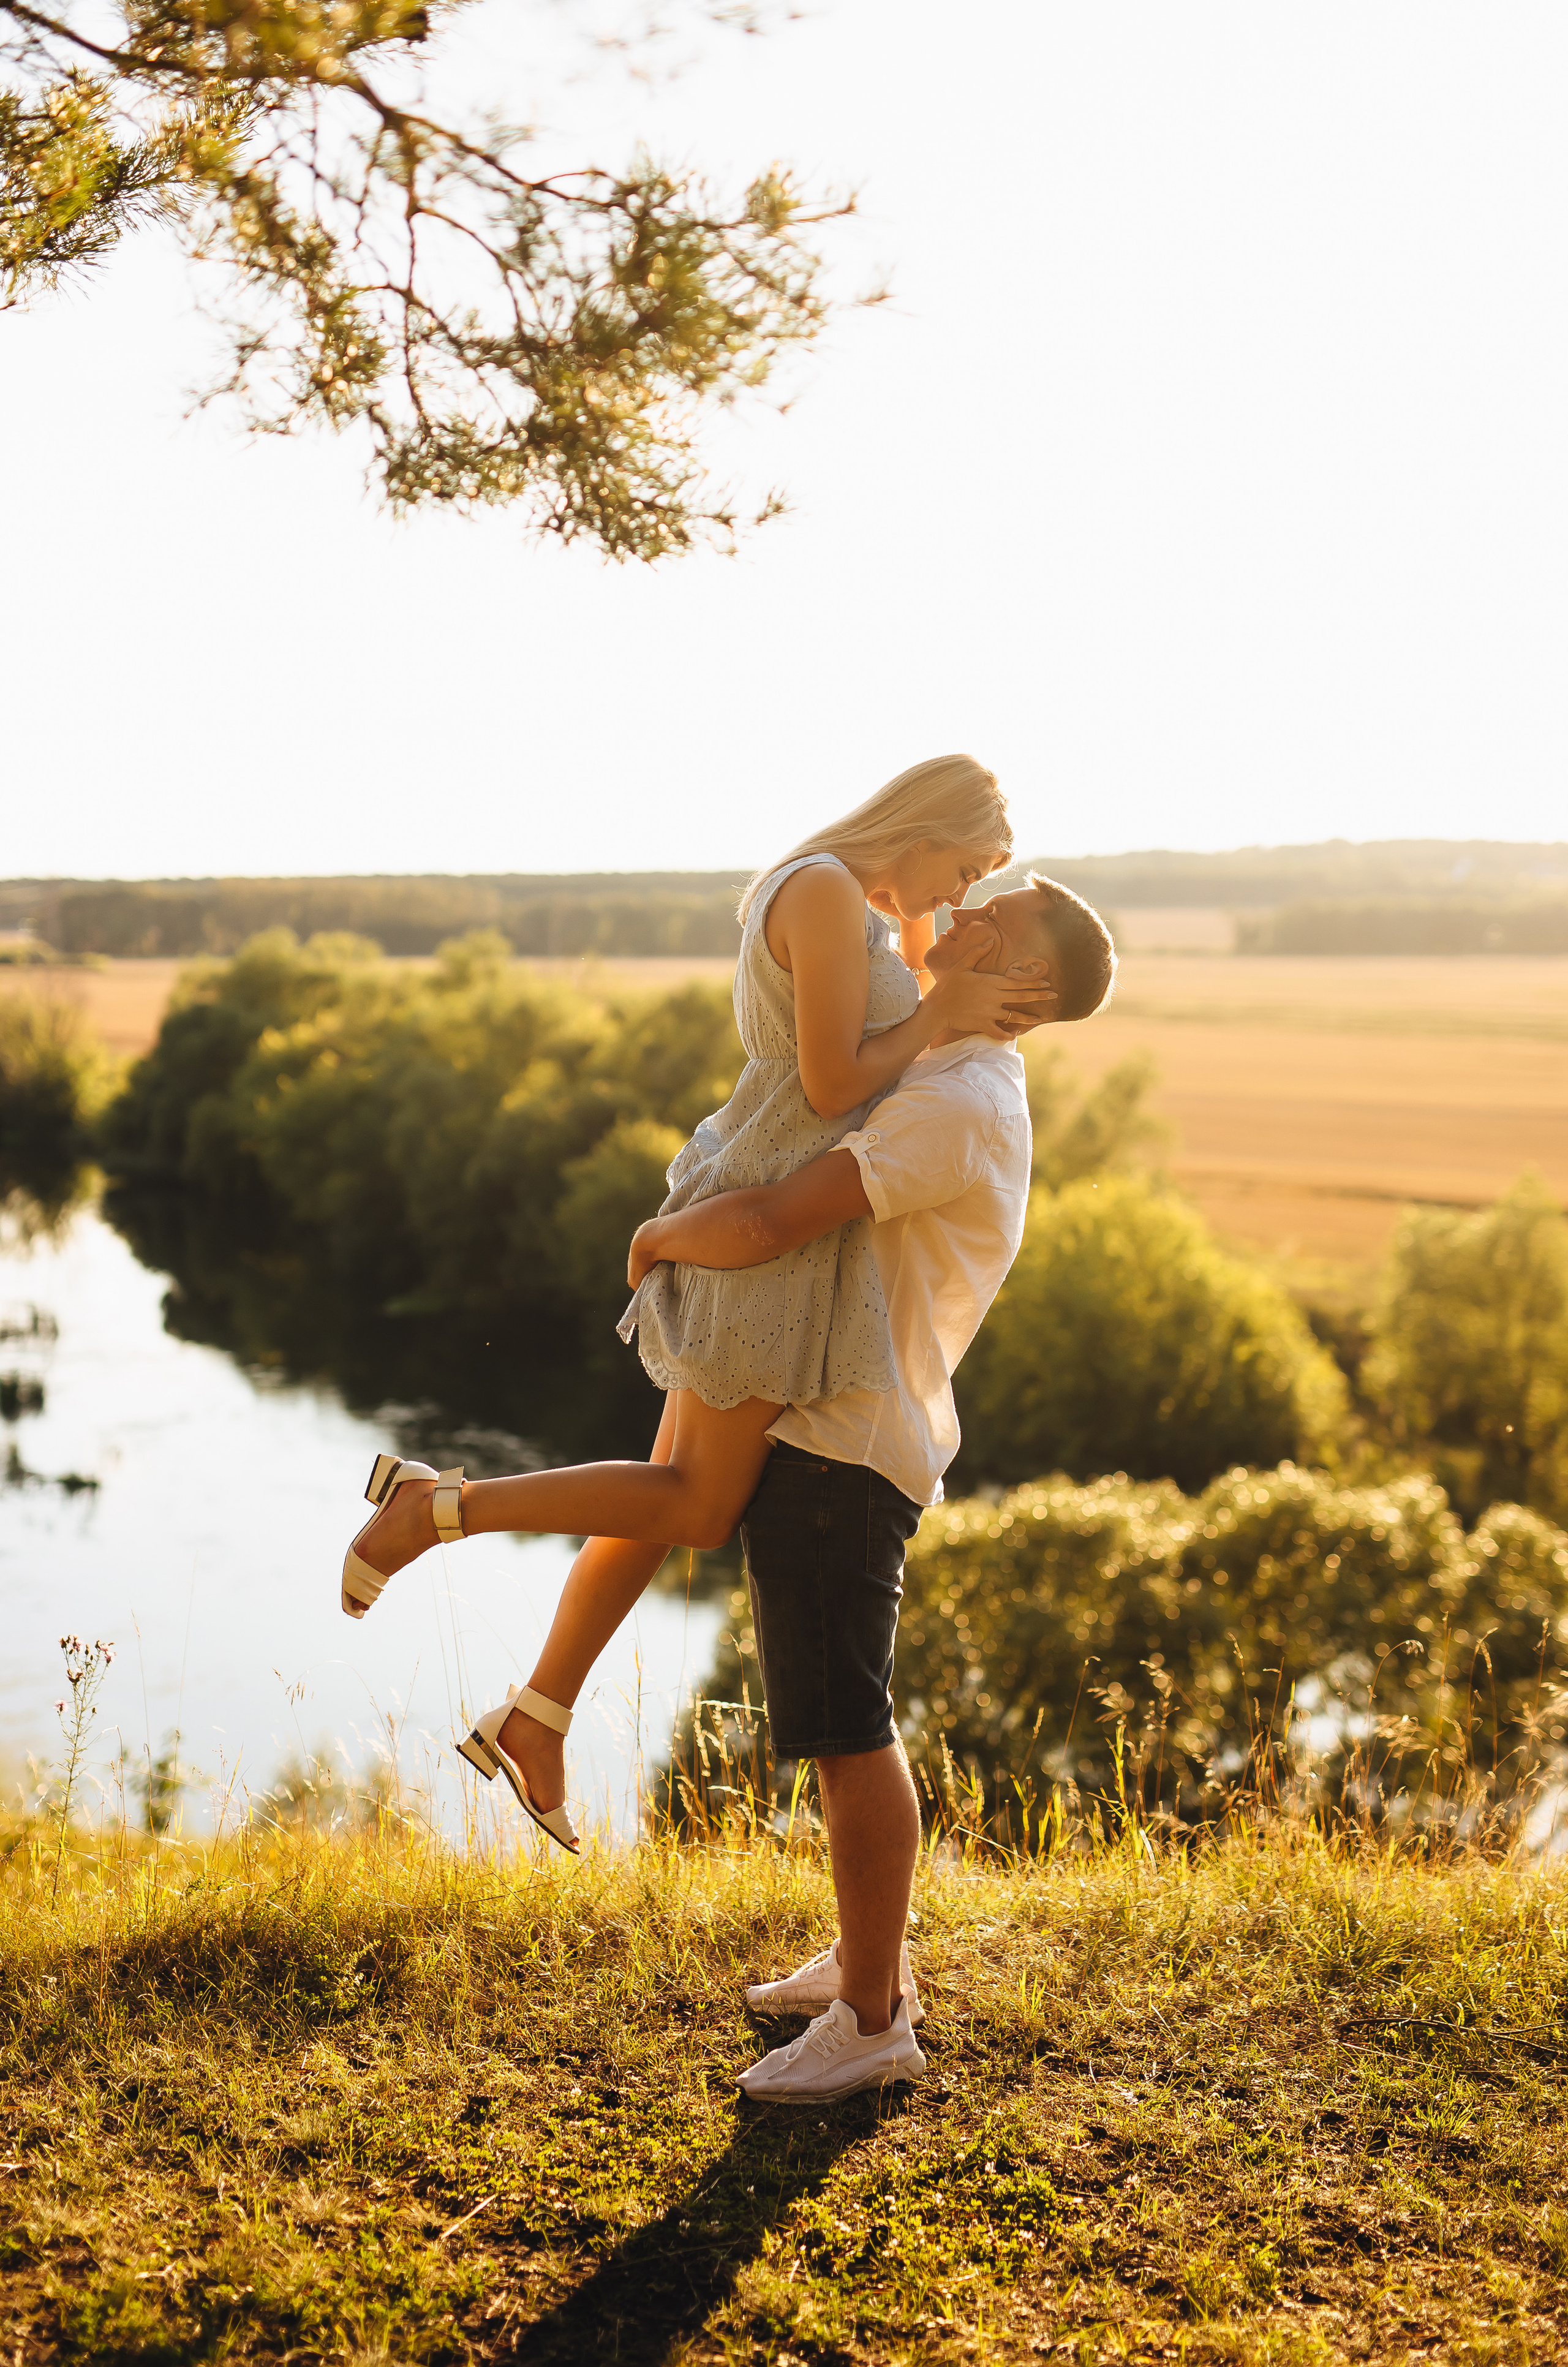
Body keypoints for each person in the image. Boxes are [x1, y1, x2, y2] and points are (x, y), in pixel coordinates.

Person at [339, 756, 1057, 1841]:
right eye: (960, 868)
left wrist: (954, 969)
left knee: (661, 1496)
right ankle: (437, 1510)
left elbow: (913, 998)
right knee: (696, 1505)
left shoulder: (859, 900)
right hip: (767, 1227)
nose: (957, 897)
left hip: (782, 1224)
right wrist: (939, 1007)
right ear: (921, 830)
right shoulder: (821, 891)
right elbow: (830, 1084)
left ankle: (538, 1713)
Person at [488, 872, 1117, 2097]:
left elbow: (778, 1218)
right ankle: (859, 1965)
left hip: (849, 1446)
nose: (971, 908)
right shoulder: (949, 1060)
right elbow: (895, 920)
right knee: (837, 1718)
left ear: (1024, 991)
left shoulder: (959, 1107)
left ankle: (875, 2022)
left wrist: (663, 1237)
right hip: (827, 1426)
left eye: (1001, 911)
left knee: (846, 1729)